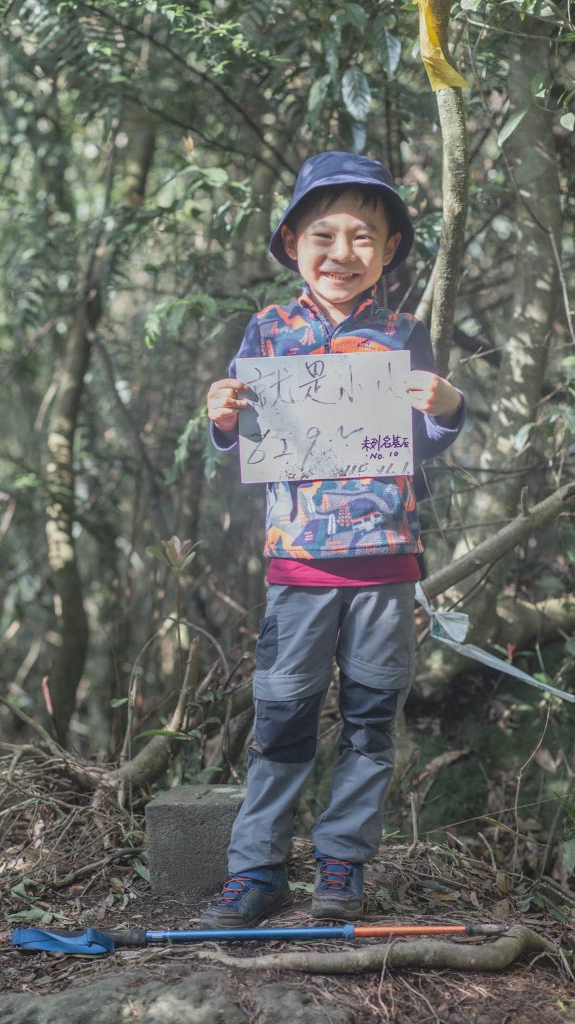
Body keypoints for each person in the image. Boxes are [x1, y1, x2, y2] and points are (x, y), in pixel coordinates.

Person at [203, 152, 465, 928]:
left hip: (386, 566)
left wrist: (447, 406)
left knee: (370, 720)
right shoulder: (268, 330)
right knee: (281, 718)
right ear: (292, 243)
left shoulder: (402, 334)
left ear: (389, 250)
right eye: (323, 235)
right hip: (299, 567)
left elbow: (424, 441)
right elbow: (243, 435)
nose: (342, 253)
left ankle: (342, 865)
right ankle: (256, 872)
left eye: (363, 237)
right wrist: (223, 417)